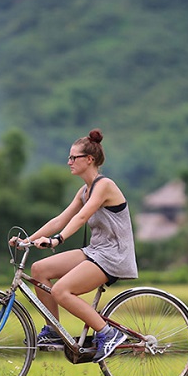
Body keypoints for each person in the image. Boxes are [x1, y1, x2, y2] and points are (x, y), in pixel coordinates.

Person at [16, 128, 138, 362]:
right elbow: (59, 220)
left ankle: (108, 333)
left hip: (113, 256)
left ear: (89, 159)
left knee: (61, 290)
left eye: (73, 157)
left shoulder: (104, 185)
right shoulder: (84, 190)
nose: (68, 162)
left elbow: (81, 218)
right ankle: (53, 331)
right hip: (95, 252)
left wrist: (57, 240)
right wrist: (28, 241)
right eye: (69, 157)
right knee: (39, 269)